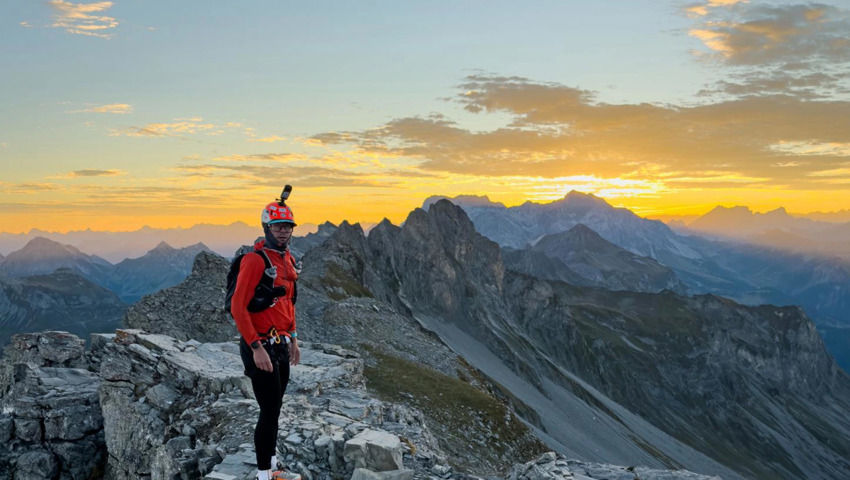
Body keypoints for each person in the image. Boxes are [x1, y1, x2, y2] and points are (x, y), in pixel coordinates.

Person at [232, 198, 302, 480]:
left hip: (280, 344)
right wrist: (255, 347)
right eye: (277, 226)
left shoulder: (288, 260)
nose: (283, 231)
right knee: (269, 409)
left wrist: (293, 339)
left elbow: (289, 303)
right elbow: (238, 307)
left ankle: (272, 468)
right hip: (259, 346)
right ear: (267, 227)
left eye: (287, 226)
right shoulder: (254, 260)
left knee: (275, 408)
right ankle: (263, 475)